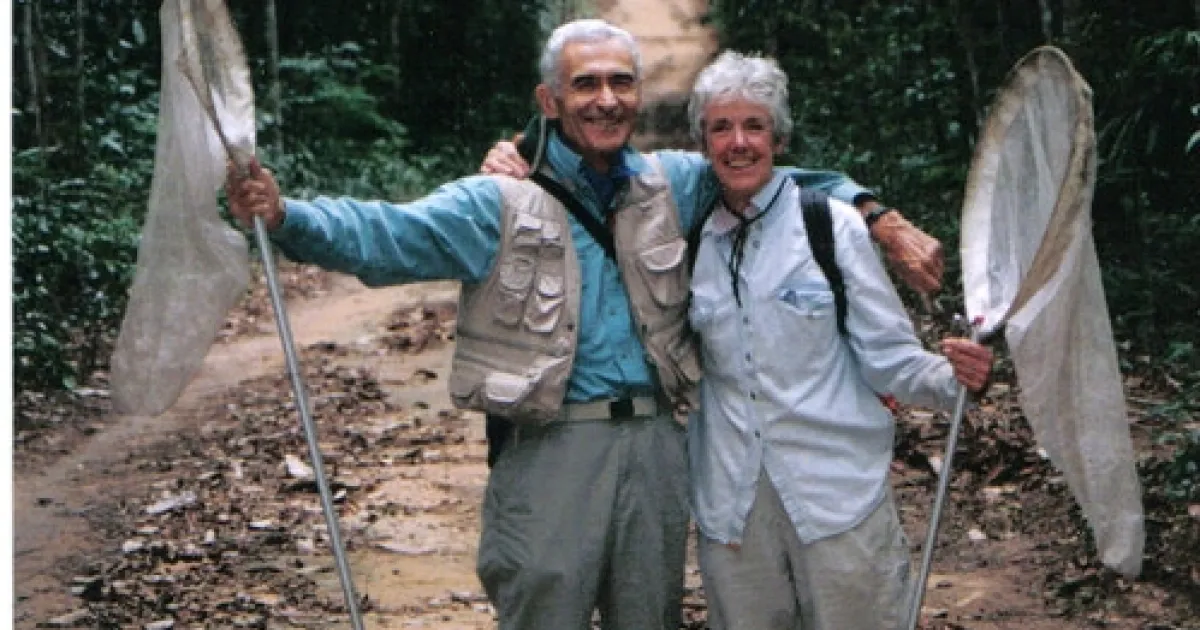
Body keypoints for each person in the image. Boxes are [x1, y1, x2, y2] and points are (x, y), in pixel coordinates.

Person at [225, 19, 930, 630]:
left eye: (621, 82)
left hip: (657, 448)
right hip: (550, 447)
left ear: (639, 94)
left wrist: (878, 217)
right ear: (550, 101)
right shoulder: (497, 199)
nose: (606, 99)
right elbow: (387, 234)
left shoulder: (675, 183)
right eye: (586, 84)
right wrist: (286, 217)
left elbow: (768, 170)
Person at [684, 51, 994, 629]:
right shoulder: (689, 234)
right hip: (732, 509)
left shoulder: (831, 224)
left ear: (779, 138)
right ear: (703, 143)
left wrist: (958, 380)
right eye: (721, 128)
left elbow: (890, 359)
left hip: (837, 498)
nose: (739, 142)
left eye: (754, 125)